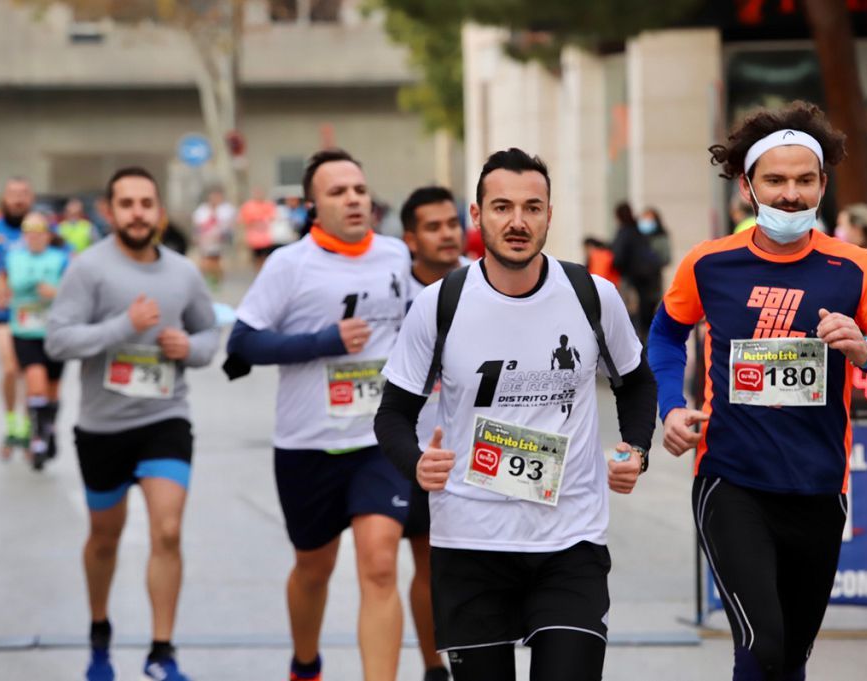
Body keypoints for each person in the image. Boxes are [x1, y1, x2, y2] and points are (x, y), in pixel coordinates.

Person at [647, 101, 867, 681]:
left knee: (788, 659)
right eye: (775, 180)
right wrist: (671, 407)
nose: (790, 195)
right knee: (764, 643)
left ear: (823, 184)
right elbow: (665, 333)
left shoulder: (854, 268)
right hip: (731, 483)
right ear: (748, 186)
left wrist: (865, 349)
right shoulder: (709, 264)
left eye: (804, 180)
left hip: (819, 489)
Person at [375, 148, 657, 681]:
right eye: (502, 207)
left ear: (550, 215)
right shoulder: (440, 304)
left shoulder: (593, 296)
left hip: (571, 537)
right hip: (470, 541)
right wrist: (415, 462)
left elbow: (637, 381)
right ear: (477, 217)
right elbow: (392, 413)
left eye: (533, 208)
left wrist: (636, 450)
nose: (518, 222)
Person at [225, 149, 412, 681]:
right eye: (337, 192)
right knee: (314, 569)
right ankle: (305, 665)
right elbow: (242, 344)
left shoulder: (396, 255)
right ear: (312, 207)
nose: (353, 199)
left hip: (380, 439)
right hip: (307, 443)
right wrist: (321, 341)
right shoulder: (290, 265)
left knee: (379, 565)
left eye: (358, 189)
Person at [46, 167, 219, 681]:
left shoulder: (183, 273)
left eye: (147, 203)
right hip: (102, 427)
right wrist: (124, 326)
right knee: (105, 536)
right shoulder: (88, 269)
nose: (138, 212)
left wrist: (189, 348)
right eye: (127, 203)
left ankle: (161, 651)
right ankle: (100, 630)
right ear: (109, 211)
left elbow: (210, 333)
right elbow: (58, 341)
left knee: (167, 530)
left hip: (165, 417)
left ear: (159, 211)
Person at [398, 184, 466, 681]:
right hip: (411, 449)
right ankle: (433, 668)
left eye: (452, 223)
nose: (447, 235)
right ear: (410, 237)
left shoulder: (484, 281)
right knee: (428, 565)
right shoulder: (392, 291)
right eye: (433, 226)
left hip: (477, 449)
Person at [4, 210, 68, 469]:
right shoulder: (15, 257)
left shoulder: (60, 258)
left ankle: (50, 428)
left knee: (52, 389)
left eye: (40, 232)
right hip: (25, 331)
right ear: (24, 235)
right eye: (30, 232)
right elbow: (17, 283)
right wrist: (39, 284)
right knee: (36, 383)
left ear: (47, 234)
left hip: (53, 331)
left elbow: (69, 289)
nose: (35, 237)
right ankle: (38, 437)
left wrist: (54, 292)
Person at [0, 177, 34, 456]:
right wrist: (1, 287)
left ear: (30, 198)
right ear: (4, 198)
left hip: (36, 316)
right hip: (5, 313)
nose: (17, 199)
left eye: (23, 194)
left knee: (31, 373)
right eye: (12, 194)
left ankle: (29, 427)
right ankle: (11, 424)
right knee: (10, 369)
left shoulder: (41, 228)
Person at [611, 201, 662, 338]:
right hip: (649, 282)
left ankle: (638, 348)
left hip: (632, 282)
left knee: (631, 317)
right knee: (646, 318)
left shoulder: (624, 233)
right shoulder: (638, 232)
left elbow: (618, 259)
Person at [191, 187, 235, 289]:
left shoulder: (225, 209)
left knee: (216, 262)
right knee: (205, 261)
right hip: (205, 240)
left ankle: (216, 282)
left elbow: (230, 223)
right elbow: (198, 224)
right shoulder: (202, 210)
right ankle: (203, 282)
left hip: (219, 241)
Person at [239, 187, 278, 270]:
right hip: (254, 239)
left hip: (266, 239)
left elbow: (273, 218)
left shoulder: (268, 205)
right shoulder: (248, 206)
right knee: (257, 259)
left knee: (267, 259)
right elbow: (243, 221)